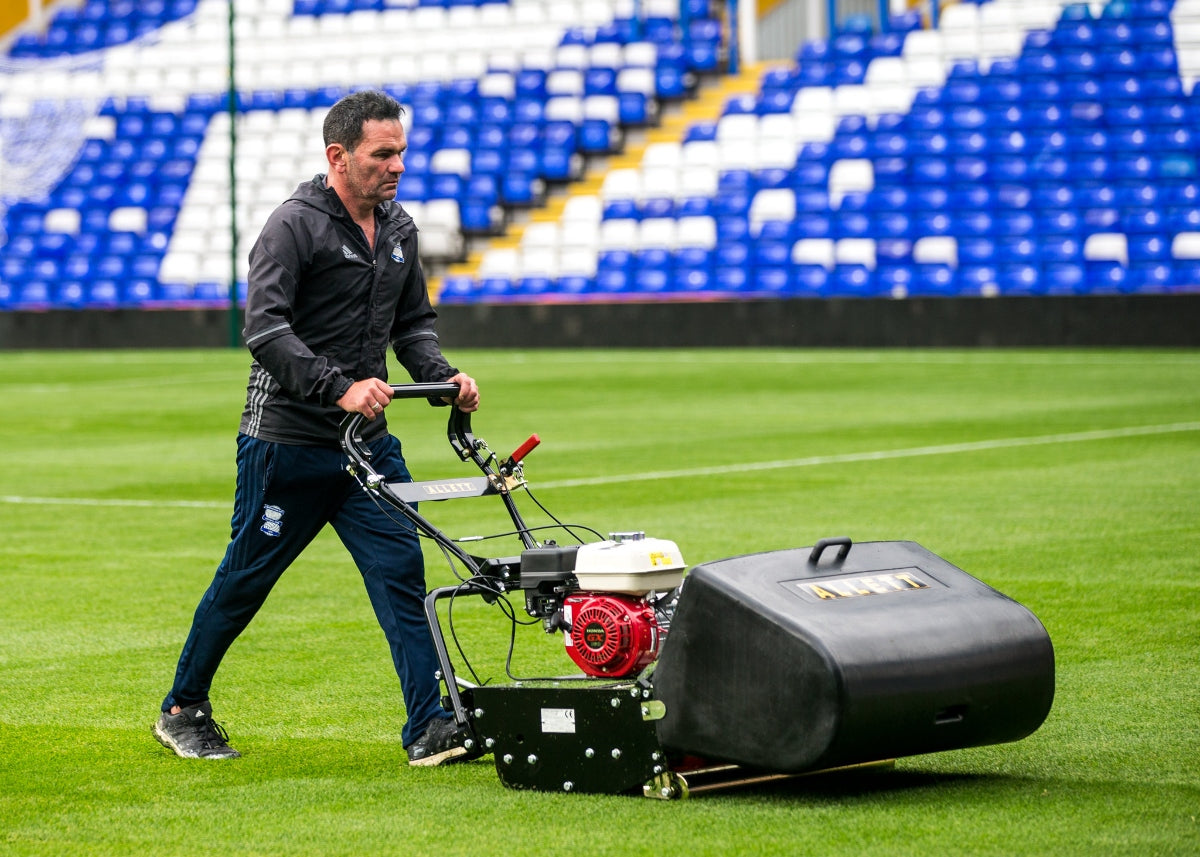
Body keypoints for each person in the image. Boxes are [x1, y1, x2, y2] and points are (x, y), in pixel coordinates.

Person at [154, 89, 481, 767]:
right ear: (338, 155)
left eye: (401, 153)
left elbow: (413, 325)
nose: (395, 167)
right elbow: (264, 329)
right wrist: (339, 386)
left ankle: (428, 726)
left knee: (400, 568)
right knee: (247, 575)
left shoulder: (398, 230)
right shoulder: (292, 227)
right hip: (286, 443)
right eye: (381, 154)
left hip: (367, 448)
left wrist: (443, 376)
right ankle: (183, 708)